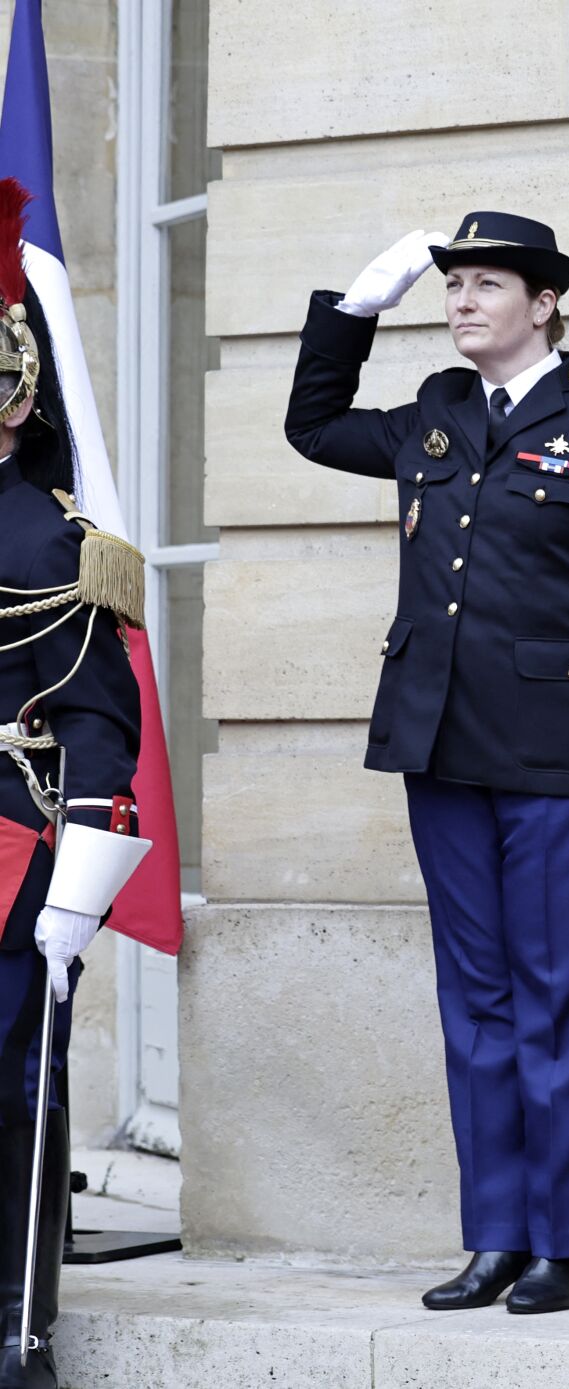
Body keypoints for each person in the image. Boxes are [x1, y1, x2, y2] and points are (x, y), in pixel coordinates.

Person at [284, 212, 569, 1314]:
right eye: (452, 283)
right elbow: (313, 426)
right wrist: (355, 308)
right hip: (444, 748)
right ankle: (497, 1234)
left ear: (544, 302)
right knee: (476, 1001)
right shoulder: (435, 413)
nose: (461, 299)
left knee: (560, 999)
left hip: (567, 758)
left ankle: (567, 1242)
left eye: (485, 284)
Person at [0, 183, 146, 1388]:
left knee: (12, 1100)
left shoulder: (53, 541)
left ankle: (19, 1326)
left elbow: (103, 724)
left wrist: (78, 890)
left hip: (7, 856)